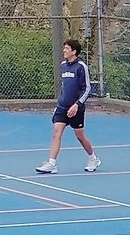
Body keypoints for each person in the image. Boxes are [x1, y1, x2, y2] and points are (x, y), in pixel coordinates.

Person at [36, 38, 99, 174]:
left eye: (67, 49)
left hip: (77, 109)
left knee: (80, 137)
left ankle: (93, 158)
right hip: (62, 107)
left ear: (74, 52)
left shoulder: (81, 67)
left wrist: (77, 105)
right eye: (64, 48)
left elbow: (87, 89)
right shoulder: (63, 65)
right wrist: (60, 102)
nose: (64, 50)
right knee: (56, 133)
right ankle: (52, 163)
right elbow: (65, 86)